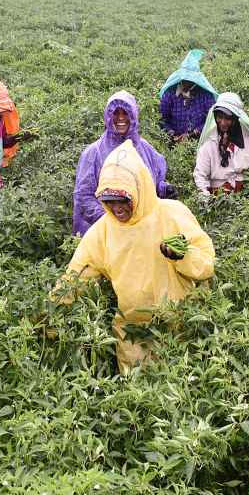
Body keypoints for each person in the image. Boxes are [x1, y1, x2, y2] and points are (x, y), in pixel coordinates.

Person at [55, 140, 215, 374]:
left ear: (139, 189)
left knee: (181, 388)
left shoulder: (171, 214)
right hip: (134, 330)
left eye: (123, 200)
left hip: (180, 323)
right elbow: (76, 276)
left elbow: (206, 264)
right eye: (109, 201)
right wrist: (50, 313)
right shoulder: (103, 230)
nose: (117, 208)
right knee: (139, 395)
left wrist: (182, 257)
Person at [72, 90, 176, 236]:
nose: (121, 118)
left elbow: (153, 181)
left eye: (125, 113)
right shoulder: (94, 153)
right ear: (108, 116)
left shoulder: (144, 148)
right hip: (106, 232)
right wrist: (112, 220)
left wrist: (164, 188)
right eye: (116, 113)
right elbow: (84, 197)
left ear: (133, 116)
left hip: (142, 228)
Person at [193, 92, 249, 198]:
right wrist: (207, 198)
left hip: (245, 194)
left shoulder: (247, 137)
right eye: (219, 117)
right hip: (219, 196)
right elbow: (200, 175)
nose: (222, 123)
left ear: (235, 119)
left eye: (227, 118)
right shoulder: (210, 143)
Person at [158, 49, 218, 143]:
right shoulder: (170, 93)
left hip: (200, 140)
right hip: (172, 141)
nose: (186, 83)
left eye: (190, 80)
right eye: (184, 79)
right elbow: (162, 118)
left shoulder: (205, 95)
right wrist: (171, 134)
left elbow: (212, 118)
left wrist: (192, 134)